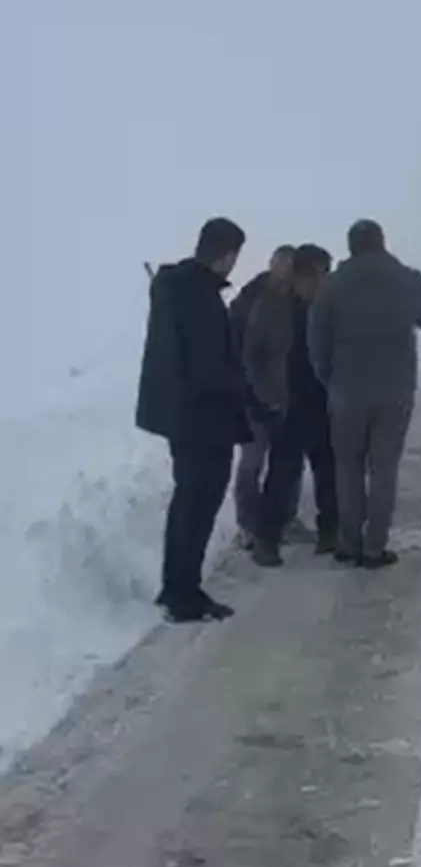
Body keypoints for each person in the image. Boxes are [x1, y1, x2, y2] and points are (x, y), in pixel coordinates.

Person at [136, 217, 250, 624]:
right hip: (202, 418)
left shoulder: (177, 288)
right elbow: (208, 368)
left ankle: (178, 586)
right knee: (198, 504)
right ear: (226, 255)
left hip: (182, 414)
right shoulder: (198, 296)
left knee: (189, 501)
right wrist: (245, 387)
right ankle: (183, 594)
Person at [309, 220, 421, 568]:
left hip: (346, 389)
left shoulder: (333, 284)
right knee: (384, 469)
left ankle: (349, 543)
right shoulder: (405, 278)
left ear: (351, 246)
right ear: (382, 243)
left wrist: (329, 378)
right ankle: (374, 547)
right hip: (395, 389)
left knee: (347, 466)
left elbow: (317, 339)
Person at [252, 244, 340, 566]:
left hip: (324, 399)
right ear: (302, 273)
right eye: (319, 273)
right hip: (288, 403)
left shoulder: (330, 305)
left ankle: (331, 531)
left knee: (328, 470)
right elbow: (254, 354)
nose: (322, 280)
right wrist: (266, 395)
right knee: (282, 475)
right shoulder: (274, 306)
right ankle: (267, 540)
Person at [229, 246, 295, 547]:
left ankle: (284, 518)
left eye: (289, 266)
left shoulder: (296, 300)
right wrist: (254, 392)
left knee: (288, 462)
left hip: (289, 396)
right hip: (253, 397)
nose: (284, 271)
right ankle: (247, 523)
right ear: (271, 265)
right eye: (279, 264)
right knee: (252, 461)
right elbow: (243, 350)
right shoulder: (253, 298)